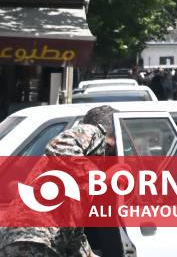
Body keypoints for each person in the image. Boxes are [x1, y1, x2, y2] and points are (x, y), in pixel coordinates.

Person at [0, 106, 124, 257]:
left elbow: (73, 231)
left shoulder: (79, 172)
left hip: (31, 241)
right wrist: (102, 178)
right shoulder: (95, 132)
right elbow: (58, 147)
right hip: (33, 240)